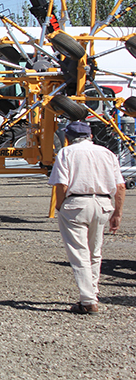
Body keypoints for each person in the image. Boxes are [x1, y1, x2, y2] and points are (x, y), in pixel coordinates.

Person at [49, 121, 125, 314]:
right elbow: (120, 186)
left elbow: (61, 185)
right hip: (103, 203)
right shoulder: (108, 153)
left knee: (79, 252)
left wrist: (60, 206)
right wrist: (117, 213)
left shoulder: (66, 153)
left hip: (76, 202)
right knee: (95, 251)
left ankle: (88, 299)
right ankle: (93, 291)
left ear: (68, 137)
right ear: (91, 136)